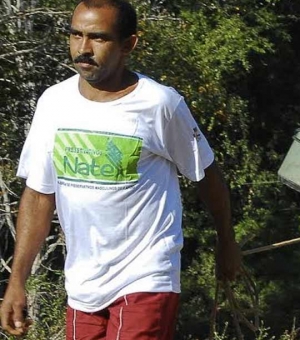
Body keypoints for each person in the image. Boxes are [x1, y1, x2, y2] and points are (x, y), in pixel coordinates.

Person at [0, 0, 241, 338]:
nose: (83, 48)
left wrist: (226, 241)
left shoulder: (159, 104)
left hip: (146, 276)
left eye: (98, 38)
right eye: (76, 35)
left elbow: (206, 174)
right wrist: (17, 281)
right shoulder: (53, 103)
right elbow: (39, 195)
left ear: (128, 44)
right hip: (83, 286)